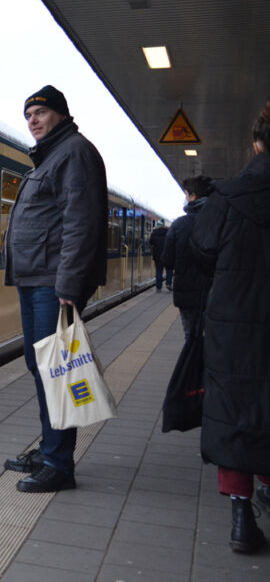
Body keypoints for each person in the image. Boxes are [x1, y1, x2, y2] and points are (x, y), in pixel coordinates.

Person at [3, 85, 108, 493]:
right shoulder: (51, 156)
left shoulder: (75, 153)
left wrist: (69, 283)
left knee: (57, 371)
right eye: (28, 114)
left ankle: (59, 464)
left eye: (40, 112)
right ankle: (49, 447)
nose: (32, 120)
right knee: (41, 365)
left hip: (53, 283)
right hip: (36, 279)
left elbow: (81, 222)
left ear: (61, 114)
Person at [189, 101, 270, 553]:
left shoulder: (227, 198)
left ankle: (242, 517)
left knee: (235, 413)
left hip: (234, 327)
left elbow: (201, 253)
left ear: (255, 144)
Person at [160, 175, 214, 342]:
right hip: (214, 293)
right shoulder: (220, 221)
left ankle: (192, 366)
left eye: (186, 194)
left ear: (193, 196)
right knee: (211, 339)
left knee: (191, 338)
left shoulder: (179, 224)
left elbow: (167, 260)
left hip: (186, 292)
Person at [149, 222, 172, 291]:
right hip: (167, 255)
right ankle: (168, 283)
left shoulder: (154, 233)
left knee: (159, 271)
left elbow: (151, 243)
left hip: (157, 256)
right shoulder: (169, 233)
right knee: (169, 270)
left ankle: (159, 287)